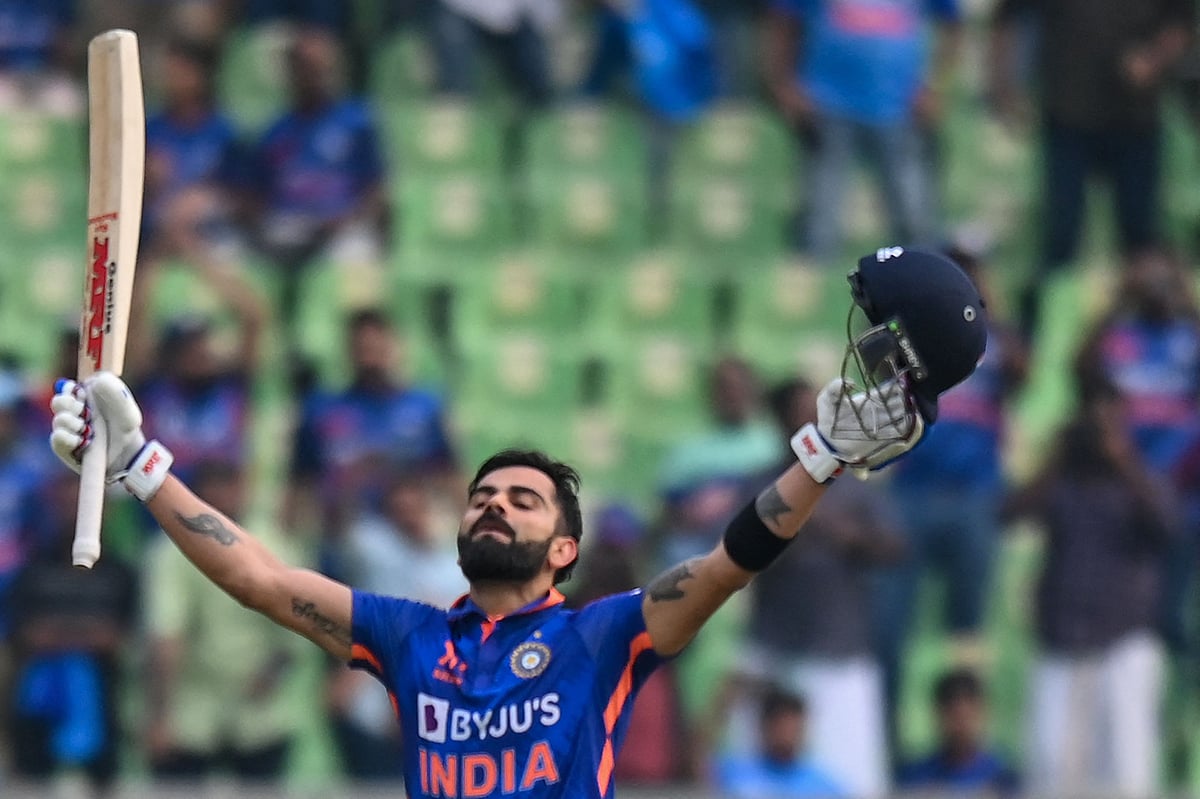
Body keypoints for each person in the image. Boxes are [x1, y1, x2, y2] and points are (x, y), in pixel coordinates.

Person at [47, 248, 986, 798]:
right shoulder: (408, 636)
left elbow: (727, 562)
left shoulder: (603, 634)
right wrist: (137, 462)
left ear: (564, 550)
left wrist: (819, 456)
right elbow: (259, 577)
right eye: (484, 493)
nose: (493, 502)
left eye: (521, 498)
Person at [719, 376, 903, 797]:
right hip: (773, 652)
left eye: (814, 412)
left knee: (851, 784)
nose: (809, 421)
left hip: (841, 655)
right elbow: (735, 558)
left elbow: (896, 548)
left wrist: (844, 535)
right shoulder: (759, 486)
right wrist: (792, 532)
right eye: (798, 412)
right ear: (779, 421)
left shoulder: (856, 483)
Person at [877, 242, 1028, 742]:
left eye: (968, 270)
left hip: (974, 499)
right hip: (910, 495)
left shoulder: (995, 338)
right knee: (890, 629)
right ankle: (892, 749)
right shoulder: (907, 331)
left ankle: (972, 749)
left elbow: (1023, 371)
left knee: (968, 632)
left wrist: (986, 304)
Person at [1006, 384, 1177, 797]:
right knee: (1048, 769)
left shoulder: (1140, 481)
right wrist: (1057, 458)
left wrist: (1124, 459)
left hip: (1124, 643)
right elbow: (1009, 513)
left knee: (1125, 773)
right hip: (1061, 643)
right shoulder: (1063, 481)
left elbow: (1169, 529)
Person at [990, 0, 1194, 337]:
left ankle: (1150, 355)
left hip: (1136, 122)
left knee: (1141, 244)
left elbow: (1180, 24)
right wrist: (1003, 85)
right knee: (1060, 241)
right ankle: (1043, 344)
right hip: (1068, 118)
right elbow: (1008, 17)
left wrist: (1151, 60)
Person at [144, 460, 304, 784]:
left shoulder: (274, 542)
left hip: (258, 708)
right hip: (191, 709)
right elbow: (166, 639)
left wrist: (270, 675)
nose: (224, 494)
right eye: (216, 485)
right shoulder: (172, 551)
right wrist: (161, 715)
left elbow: (294, 634)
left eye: (229, 484)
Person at [763, 0, 961, 262]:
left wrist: (936, 86)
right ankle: (813, 294)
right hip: (827, 106)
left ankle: (924, 290)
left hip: (899, 109)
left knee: (914, 217)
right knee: (820, 218)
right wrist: (784, 84)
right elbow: (782, 21)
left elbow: (954, 24)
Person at [246, 26, 387, 330]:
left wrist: (349, 219)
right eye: (306, 67)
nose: (316, 75)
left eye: (322, 67)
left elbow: (377, 189)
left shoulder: (358, 122)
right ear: (291, 72)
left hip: (343, 227)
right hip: (288, 228)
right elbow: (258, 196)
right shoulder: (276, 131)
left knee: (354, 258)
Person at [5, 470, 136, 791]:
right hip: (38, 705)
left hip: (104, 704)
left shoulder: (122, 574)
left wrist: (57, 636)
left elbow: (120, 639)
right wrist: (88, 637)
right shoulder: (31, 571)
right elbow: (24, 635)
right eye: (67, 504)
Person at [288, 308, 459, 537]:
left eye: (376, 347)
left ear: (394, 346)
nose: (370, 357)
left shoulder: (424, 406)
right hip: (345, 537)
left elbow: (448, 474)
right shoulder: (322, 410)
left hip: (410, 536)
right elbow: (299, 484)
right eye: (362, 348)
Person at [896, 668, 1019, 794]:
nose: (962, 727)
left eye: (968, 717)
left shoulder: (1004, 779)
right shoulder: (915, 778)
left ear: (984, 714)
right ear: (937, 716)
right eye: (954, 717)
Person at [715, 688, 845, 798]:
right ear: (764, 726)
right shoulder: (730, 773)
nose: (788, 735)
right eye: (782, 727)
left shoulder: (825, 787)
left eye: (795, 728)